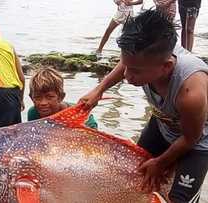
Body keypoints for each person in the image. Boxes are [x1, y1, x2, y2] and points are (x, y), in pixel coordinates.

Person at [80, 9, 208, 202]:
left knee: (178, 199)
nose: (127, 76)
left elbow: (191, 138)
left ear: (166, 67)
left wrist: (160, 162)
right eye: (126, 66)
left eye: (135, 72)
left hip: (197, 141)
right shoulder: (143, 59)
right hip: (162, 123)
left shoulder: (191, 93)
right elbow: (127, 64)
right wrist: (99, 89)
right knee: (134, 177)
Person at [28, 68, 98, 129]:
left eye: (50, 97)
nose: (43, 103)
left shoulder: (80, 116)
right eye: (37, 97)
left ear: (61, 97)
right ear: (31, 98)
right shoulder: (33, 113)